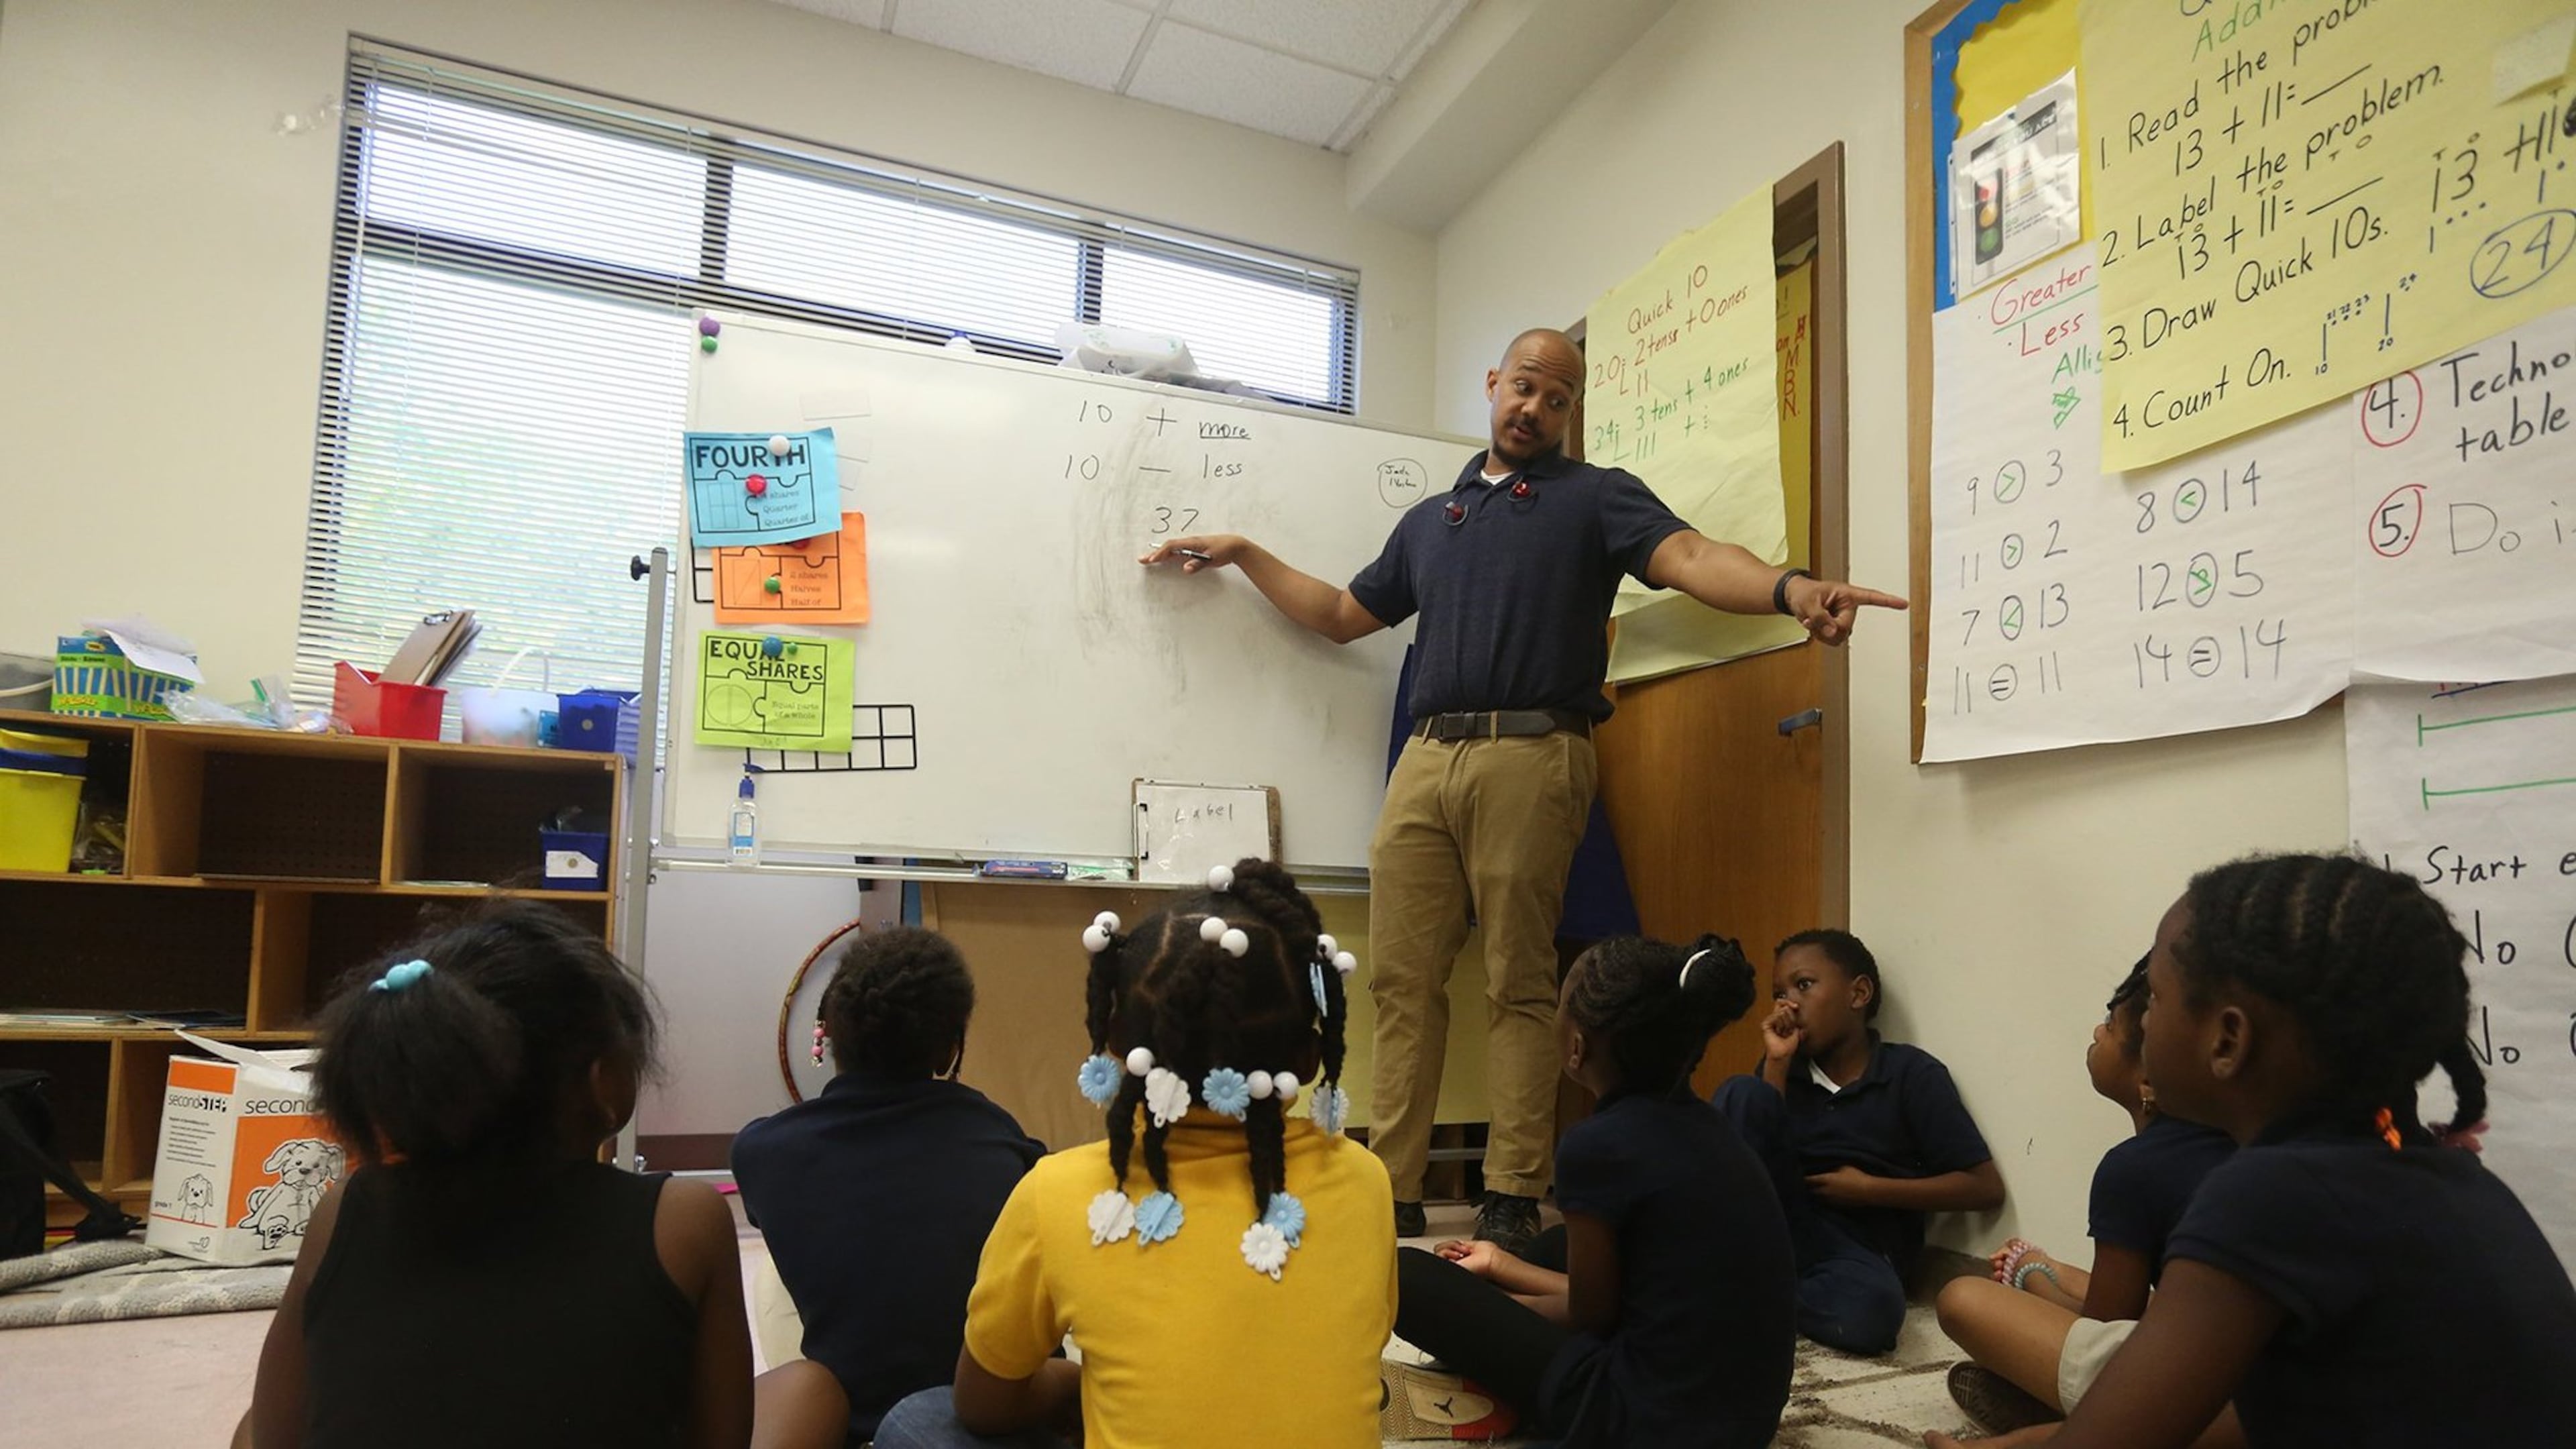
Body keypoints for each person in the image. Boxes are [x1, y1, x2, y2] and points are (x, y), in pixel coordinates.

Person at [1140, 327, 1906, 1251]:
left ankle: (1510, 1185)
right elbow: (1343, 614)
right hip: (1426, 757)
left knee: (1518, 977)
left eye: (1558, 398)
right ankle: (1393, 1186)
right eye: (1525, 388)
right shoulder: (1431, 521)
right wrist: (1245, 552)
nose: (1536, 408)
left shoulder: (1597, 498)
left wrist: (1791, 589)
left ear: (1571, 412)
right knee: (1400, 979)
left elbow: (1695, 558)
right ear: (1493, 383)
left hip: (1534, 752)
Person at [1931, 854, 2576, 1449]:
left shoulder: (2269, 1193)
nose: (2145, 1019)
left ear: (2227, 1041)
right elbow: (2266, 1413)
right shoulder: (2452, 1176)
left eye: (2156, 998)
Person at [874, 859, 1394, 1449]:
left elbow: (983, 1406)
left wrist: (1073, 1388)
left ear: (1117, 1039)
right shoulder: (1365, 1179)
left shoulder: (1058, 1192)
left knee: (918, 1419)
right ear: (1309, 1058)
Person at [231, 904, 762, 1449]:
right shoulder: (683, 1219)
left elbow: (275, 1435)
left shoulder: (347, 1205)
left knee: (249, 1426)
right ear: (601, 1081)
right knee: (799, 1389)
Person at [1387, 933, 1795, 1447]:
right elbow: (1629, 1296)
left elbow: (1593, 1314)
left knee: (1406, 1275)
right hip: (1746, 1420)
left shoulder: (1595, 1147)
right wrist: (1502, 1264)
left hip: (1649, 1424)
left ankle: (1504, 1385)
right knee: (1555, 1246)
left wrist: (1495, 1301)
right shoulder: (1711, 1127)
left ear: (1577, 1047)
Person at [733, 926, 1044, 1447]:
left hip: (849, 1428)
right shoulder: (1005, 1145)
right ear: (949, 1051)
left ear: (829, 1035)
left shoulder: (760, 1152)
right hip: (1001, 1428)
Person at [1933, 956, 2234, 1439]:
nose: (2097, 1031)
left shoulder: (2135, 1168)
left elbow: (2104, 1330)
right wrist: (2044, 1266)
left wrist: (2033, 1281)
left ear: (2149, 1081)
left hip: (2205, 1390)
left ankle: (2079, 1425)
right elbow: (2165, 1305)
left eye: (2111, 1025)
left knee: (1962, 1298)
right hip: (2241, 1365)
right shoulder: (2241, 1141)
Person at [1709, 929, 2004, 1354]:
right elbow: (1758, 1151)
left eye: (1804, 985)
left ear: (1858, 993)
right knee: (1742, 1092)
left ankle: (1751, 1292)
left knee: (1873, 1315)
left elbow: (1984, 1187)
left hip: (1858, 1250)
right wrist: (1776, 1063)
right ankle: (1736, 1275)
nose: (1788, 1005)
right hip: (1780, 1221)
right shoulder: (1785, 1069)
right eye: (1779, 994)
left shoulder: (1911, 1074)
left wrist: (1870, 1189)